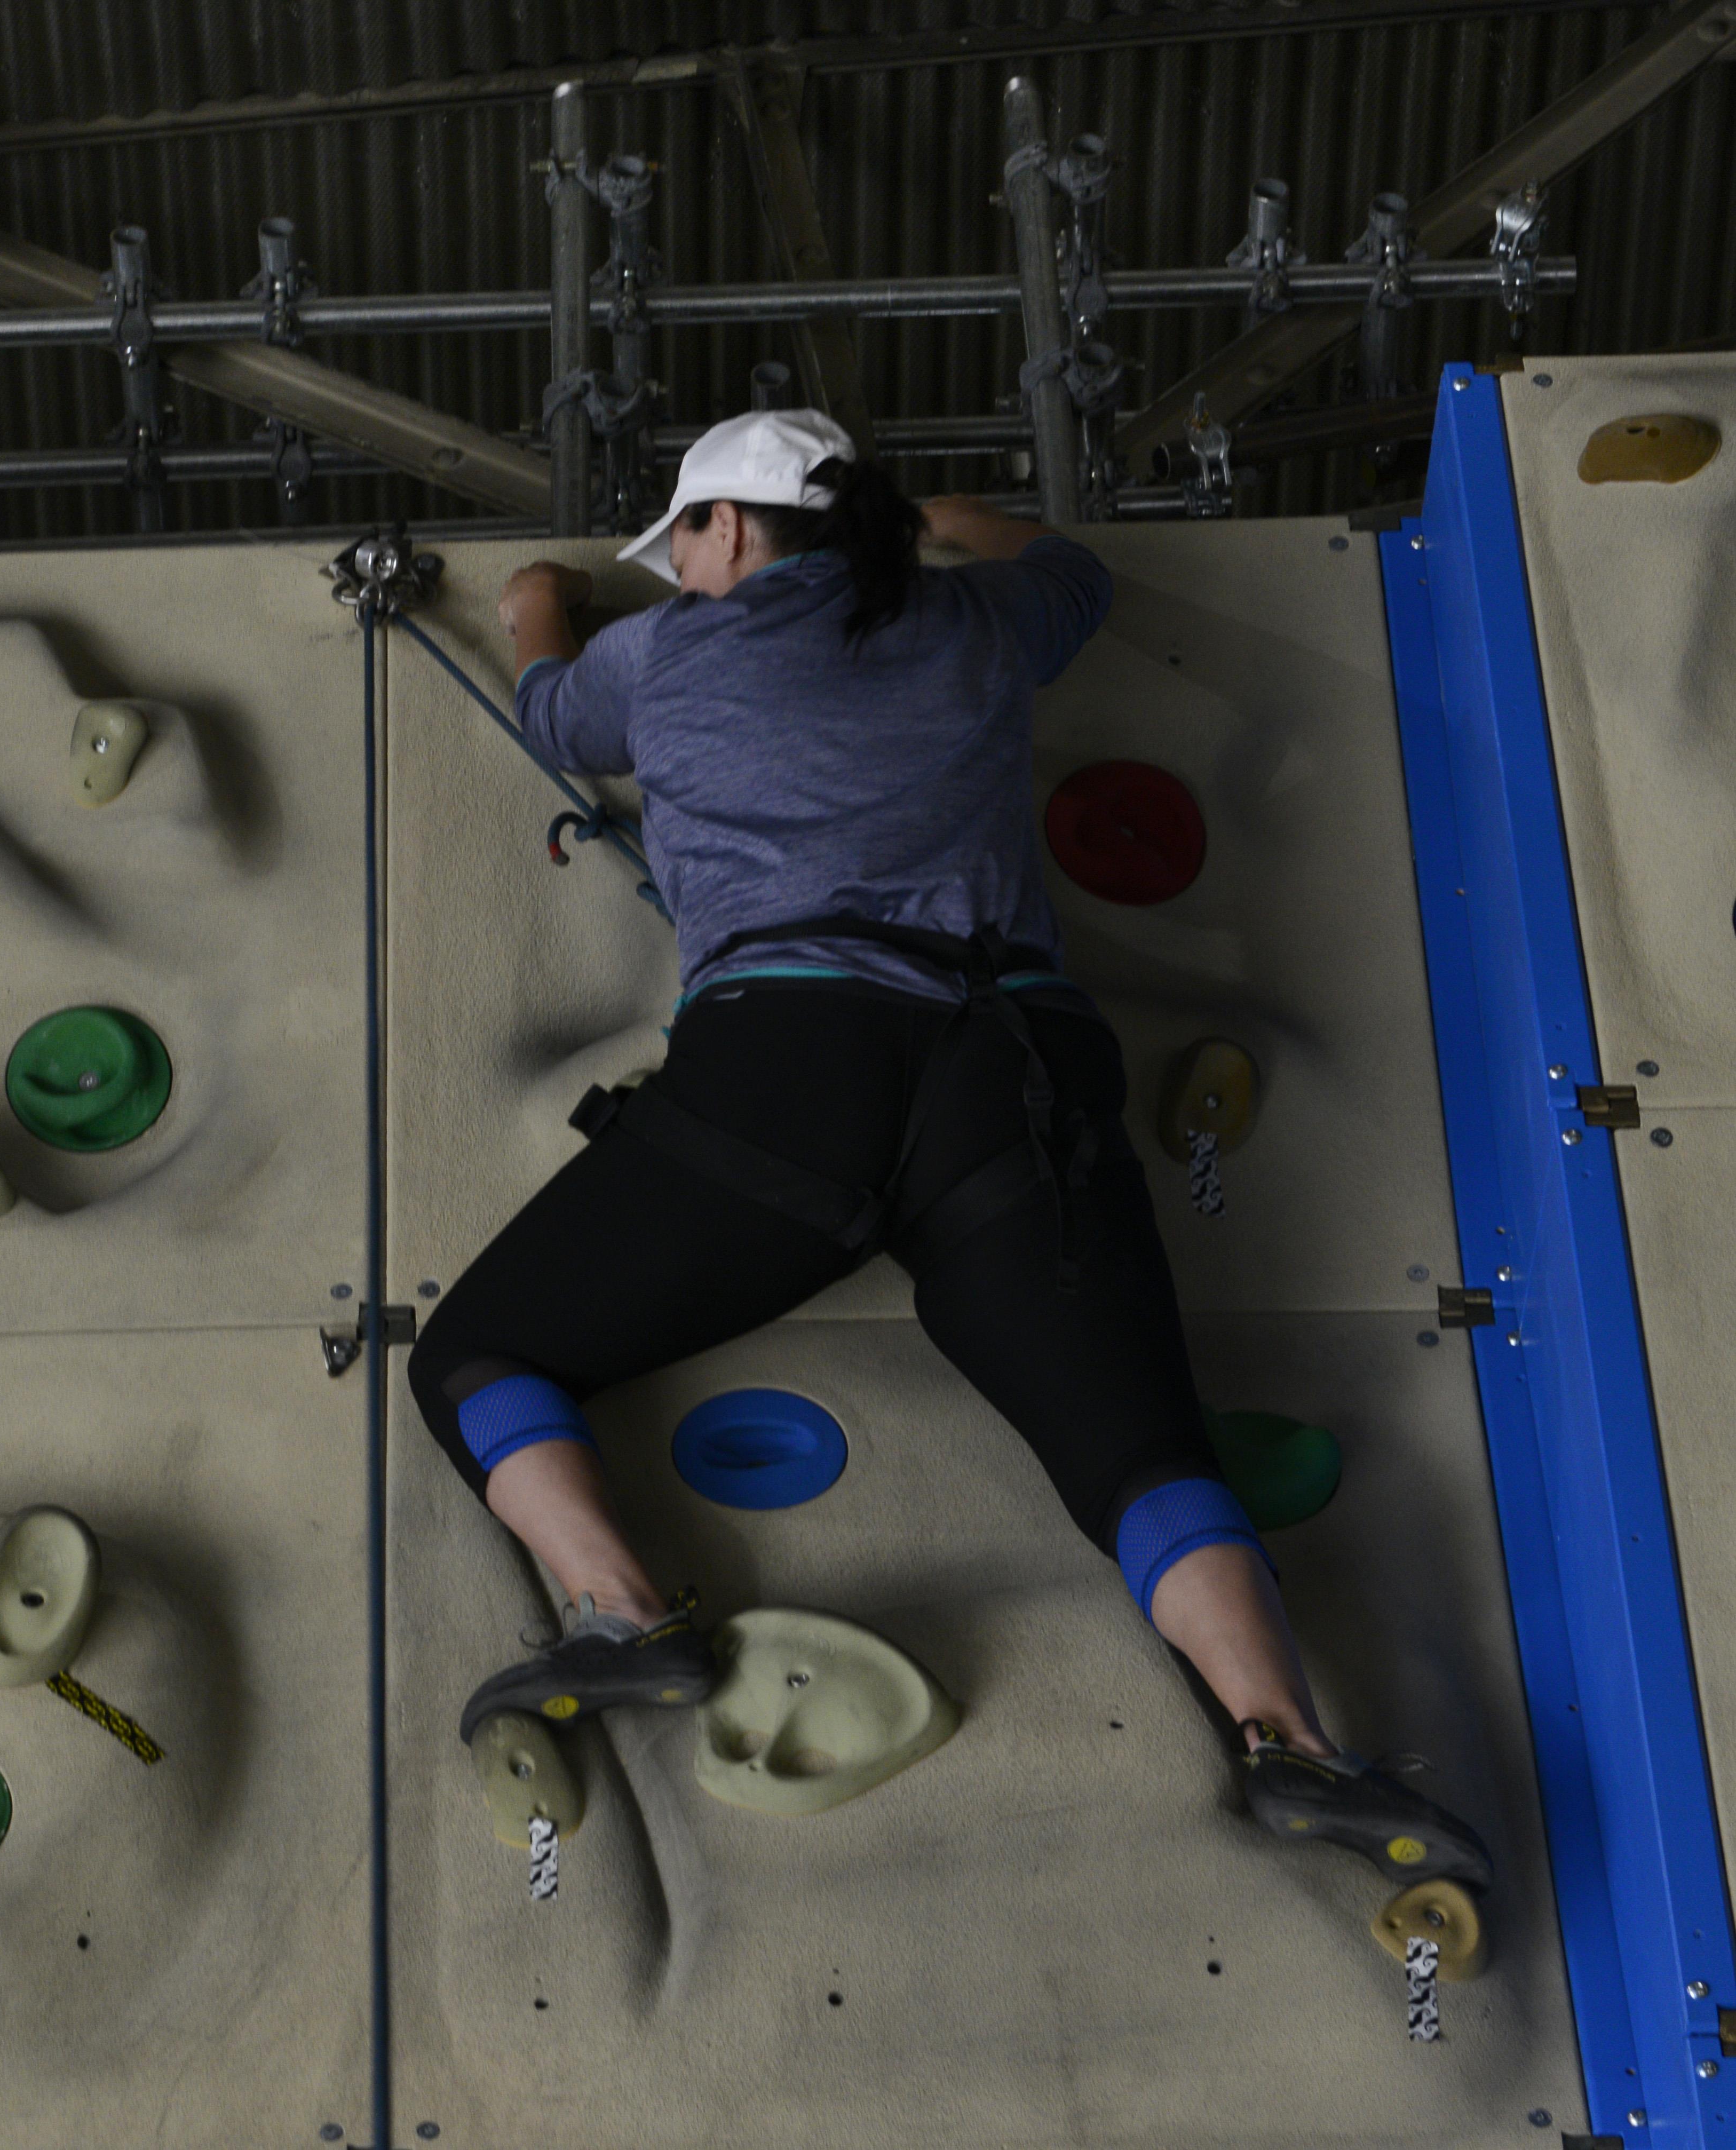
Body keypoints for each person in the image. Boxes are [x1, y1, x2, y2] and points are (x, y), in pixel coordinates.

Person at [412, 407, 1489, 1898]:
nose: (681, 576)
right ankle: (1287, 1741)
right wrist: (932, 524)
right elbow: (1067, 568)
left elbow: (546, 707)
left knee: (474, 1357)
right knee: (1138, 1452)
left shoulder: (661, 657)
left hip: (792, 1073)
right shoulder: (977, 620)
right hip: (1023, 1074)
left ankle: (623, 1614)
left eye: (685, 547)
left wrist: (543, 602)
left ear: (723, 530)